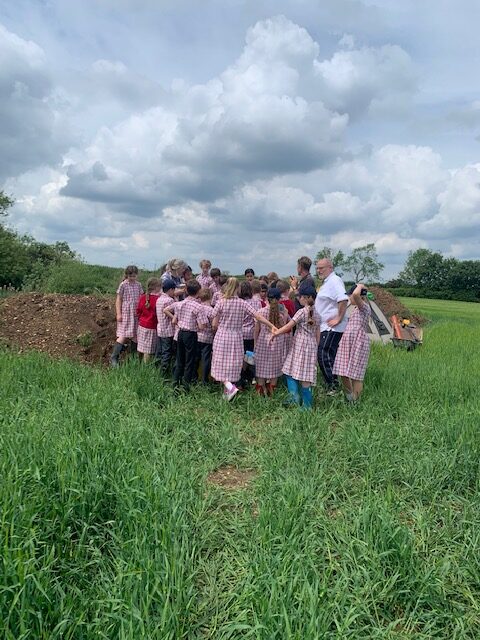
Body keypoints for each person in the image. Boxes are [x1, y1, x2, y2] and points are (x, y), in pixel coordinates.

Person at [211, 277, 276, 401]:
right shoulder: (242, 303)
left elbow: (212, 316)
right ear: (237, 288)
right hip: (236, 337)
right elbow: (258, 316)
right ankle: (228, 393)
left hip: (222, 336)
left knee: (220, 364)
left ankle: (229, 387)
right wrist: (271, 325)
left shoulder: (221, 301)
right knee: (233, 364)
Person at [272, 285, 320, 409]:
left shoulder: (301, 312)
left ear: (307, 297)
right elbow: (318, 333)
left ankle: (294, 397)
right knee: (306, 375)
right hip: (311, 345)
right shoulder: (318, 314)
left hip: (299, 344)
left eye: (300, 296)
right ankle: (307, 405)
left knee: (289, 370)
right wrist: (316, 348)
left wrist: (276, 332)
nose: (298, 299)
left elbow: (289, 326)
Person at [165, 280, 208, 390]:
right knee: (190, 361)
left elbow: (172, 316)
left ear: (186, 291)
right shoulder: (198, 307)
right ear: (198, 292)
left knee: (180, 359)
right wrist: (198, 327)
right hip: (191, 334)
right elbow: (202, 325)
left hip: (180, 333)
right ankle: (185, 386)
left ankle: (175, 383)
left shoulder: (180, 304)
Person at [314, 258, 348, 394]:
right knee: (328, 355)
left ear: (330, 267)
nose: (319, 271)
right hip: (325, 326)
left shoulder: (335, 280)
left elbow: (343, 299)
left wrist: (338, 318)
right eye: (317, 268)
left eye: (321, 268)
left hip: (331, 327)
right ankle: (332, 383)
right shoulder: (327, 282)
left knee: (323, 354)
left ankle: (333, 386)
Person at [333, 284, 371, 402]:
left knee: (356, 375)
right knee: (342, 371)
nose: (350, 298)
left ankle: (355, 401)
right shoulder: (355, 309)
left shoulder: (364, 307)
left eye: (351, 296)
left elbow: (355, 294)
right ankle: (349, 397)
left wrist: (359, 286)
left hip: (358, 343)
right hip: (348, 343)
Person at [254, 287, 289, 396]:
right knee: (275, 367)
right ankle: (272, 390)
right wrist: (286, 314)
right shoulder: (282, 313)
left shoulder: (261, 311)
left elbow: (256, 330)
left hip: (263, 341)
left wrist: (255, 343)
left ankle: (261, 389)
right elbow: (286, 327)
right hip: (278, 342)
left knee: (261, 366)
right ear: (279, 299)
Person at [110, 265, 144, 367]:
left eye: (134, 276)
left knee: (135, 335)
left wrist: (140, 311)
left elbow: (141, 297)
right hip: (126, 312)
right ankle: (114, 358)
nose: (132, 278)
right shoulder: (123, 285)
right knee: (123, 335)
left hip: (135, 312)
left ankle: (133, 359)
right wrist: (118, 313)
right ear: (127, 275)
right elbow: (118, 300)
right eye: (130, 276)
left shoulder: (138, 285)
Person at [136, 277, 161, 362]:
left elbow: (138, 311)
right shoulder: (158, 299)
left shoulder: (143, 297)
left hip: (142, 325)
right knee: (148, 350)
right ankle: (145, 369)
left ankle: (137, 364)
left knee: (141, 347)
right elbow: (158, 314)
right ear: (156, 287)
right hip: (152, 326)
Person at [155, 278, 177, 372]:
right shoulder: (169, 300)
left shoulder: (159, 299)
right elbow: (175, 312)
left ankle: (155, 369)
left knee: (159, 351)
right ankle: (163, 372)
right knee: (167, 352)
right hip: (168, 330)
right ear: (171, 289)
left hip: (160, 329)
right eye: (174, 290)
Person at [196, 287, 215, 384]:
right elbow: (214, 324)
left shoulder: (197, 307)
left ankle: (194, 377)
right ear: (210, 296)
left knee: (196, 357)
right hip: (207, 337)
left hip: (196, 336)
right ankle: (204, 380)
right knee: (206, 358)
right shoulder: (211, 310)